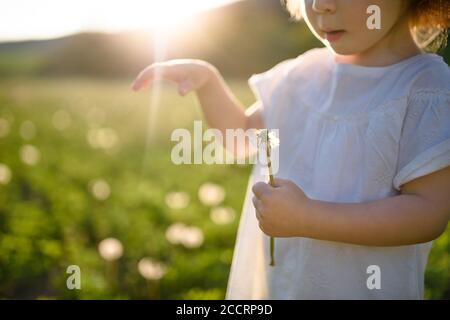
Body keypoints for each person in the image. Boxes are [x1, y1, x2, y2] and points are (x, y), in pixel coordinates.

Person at [132, 0, 450, 299]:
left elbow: (426, 212)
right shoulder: (302, 75)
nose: (319, 5)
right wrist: (207, 82)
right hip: (282, 287)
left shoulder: (424, 89)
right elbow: (241, 137)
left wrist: (307, 217)